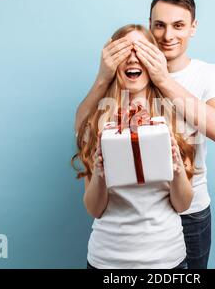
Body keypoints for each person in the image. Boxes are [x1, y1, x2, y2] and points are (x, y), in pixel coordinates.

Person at [75, 0, 215, 269]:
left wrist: (162, 79)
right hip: (121, 239)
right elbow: (82, 128)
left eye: (179, 25)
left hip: (189, 207)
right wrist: (104, 77)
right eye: (159, 25)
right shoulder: (113, 99)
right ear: (150, 26)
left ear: (193, 27)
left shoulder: (208, 74)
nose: (168, 35)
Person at [72, 24, 197, 269]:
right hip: (107, 260)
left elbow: (182, 205)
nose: (132, 58)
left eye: (141, 50)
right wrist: (99, 173)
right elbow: (94, 209)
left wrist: (177, 168)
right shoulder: (96, 121)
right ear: (112, 63)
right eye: (124, 51)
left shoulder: (175, 116)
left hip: (166, 260)